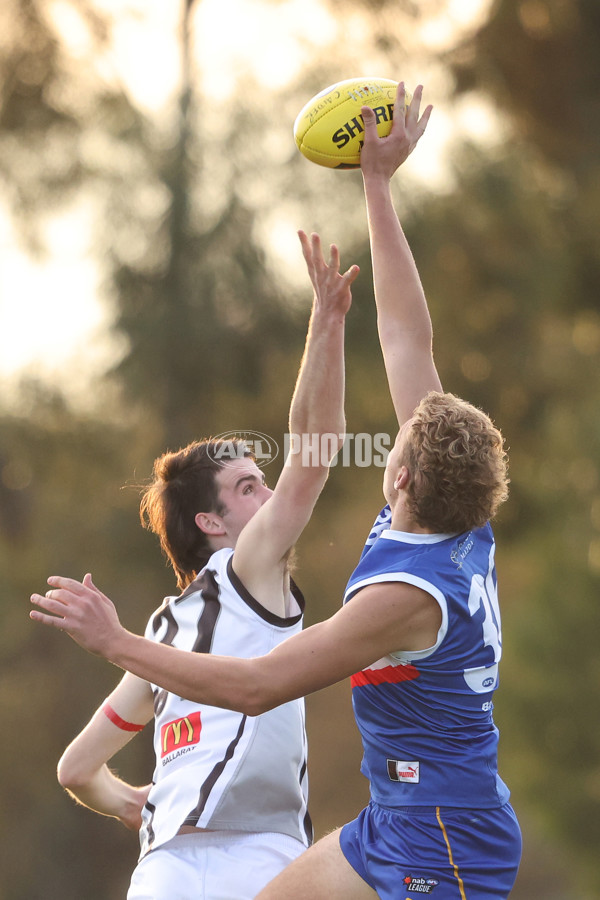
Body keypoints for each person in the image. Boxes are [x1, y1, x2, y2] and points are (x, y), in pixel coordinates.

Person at [31, 83, 522, 899]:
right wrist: (376, 183)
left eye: (397, 438)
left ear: (401, 475)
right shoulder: (457, 522)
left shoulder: (403, 595)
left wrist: (117, 643)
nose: (396, 425)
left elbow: (259, 686)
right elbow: (405, 332)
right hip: (397, 818)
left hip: (443, 842)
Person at [36, 228, 359, 900]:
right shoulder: (249, 570)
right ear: (211, 524)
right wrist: (326, 324)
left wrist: (131, 804)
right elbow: (316, 451)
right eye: (248, 487)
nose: (269, 494)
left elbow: (76, 769)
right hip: (262, 859)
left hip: (166, 871)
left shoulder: (162, 639)